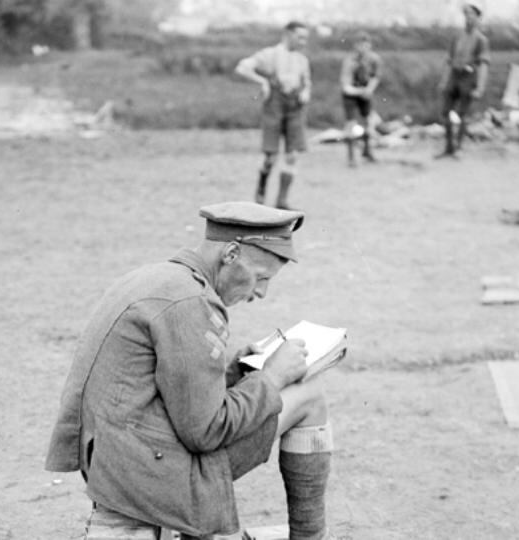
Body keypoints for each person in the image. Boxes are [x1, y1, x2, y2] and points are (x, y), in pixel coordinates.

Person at [46, 202, 337, 540]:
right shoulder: (190, 302)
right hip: (149, 476)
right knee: (309, 395)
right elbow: (206, 431)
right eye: (261, 278)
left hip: (116, 464)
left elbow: (163, 390)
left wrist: (231, 373)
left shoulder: (159, 278)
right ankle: (309, 536)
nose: (261, 293)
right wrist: (272, 377)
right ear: (230, 253)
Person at [235, 22, 312, 209]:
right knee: (270, 156)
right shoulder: (270, 54)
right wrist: (262, 81)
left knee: (292, 154)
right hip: (275, 104)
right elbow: (242, 68)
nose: (303, 42)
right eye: (300, 37)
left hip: (294, 107)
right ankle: (260, 193)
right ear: (288, 34)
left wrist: (305, 93)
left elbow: (307, 83)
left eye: (305, 38)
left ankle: (282, 201)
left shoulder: (302, 60)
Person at [435, 3, 490, 159]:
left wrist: (480, 87)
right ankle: (448, 147)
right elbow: (449, 60)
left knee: (462, 114)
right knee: (446, 112)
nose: (468, 17)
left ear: (478, 17)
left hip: (468, 77)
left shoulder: (481, 40)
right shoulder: (457, 37)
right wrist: (444, 81)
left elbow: (483, 65)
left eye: (472, 14)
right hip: (454, 76)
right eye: (466, 14)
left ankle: (459, 147)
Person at [340, 31, 382, 167]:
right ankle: (351, 156)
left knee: (368, 122)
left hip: (365, 92)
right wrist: (360, 91)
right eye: (360, 45)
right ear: (355, 46)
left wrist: (369, 89)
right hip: (351, 94)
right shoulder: (349, 61)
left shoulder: (374, 59)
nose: (363, 48)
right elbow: (346, 86)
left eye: (366, 45)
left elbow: (376, 77)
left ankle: (367, 151)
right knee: (351, 125)